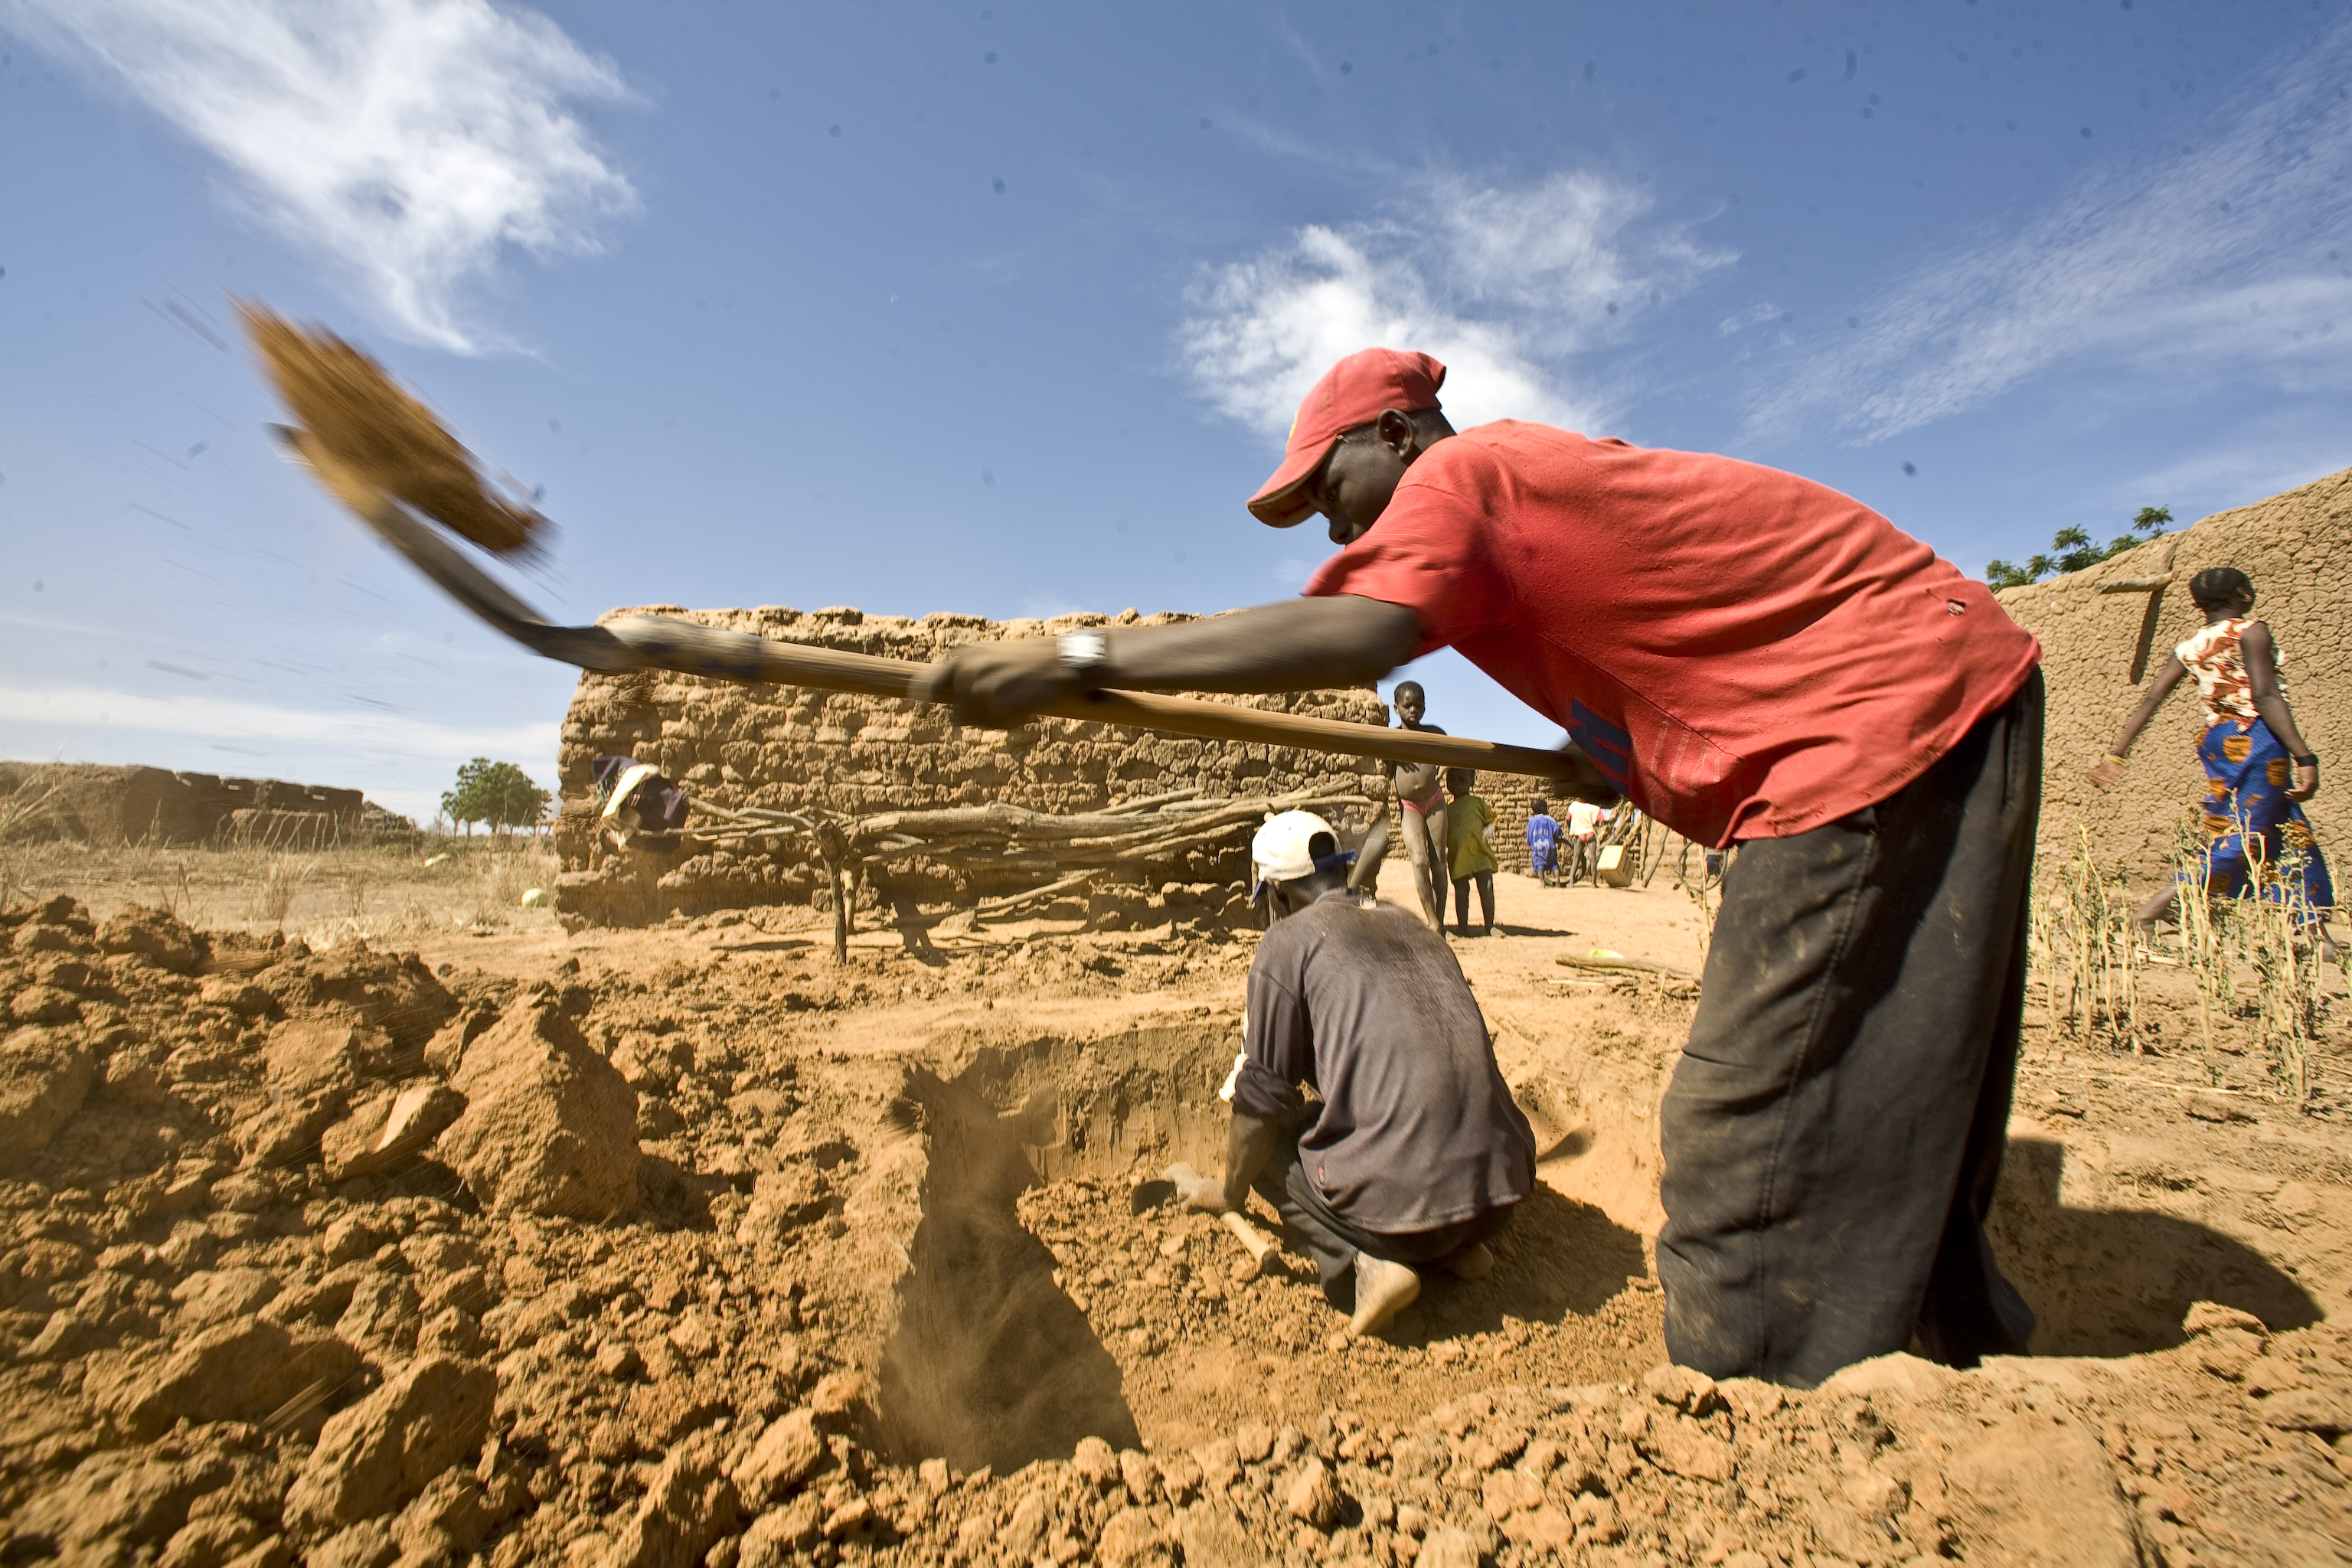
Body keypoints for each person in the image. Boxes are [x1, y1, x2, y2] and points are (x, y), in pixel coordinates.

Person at [916, 346, 2045, 1386]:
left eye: (1328, 490)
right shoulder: (1533, 502)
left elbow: (1358, 629)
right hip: (1949, 680)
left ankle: (1764, 1426)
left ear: (1398, 435)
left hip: (1870, 725)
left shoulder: (1471, 475)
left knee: (1742, 1146)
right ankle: (1953, 1363)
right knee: (1903, 1097)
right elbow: (1668, 646)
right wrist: (1604, 754)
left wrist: (1079, 661)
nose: (1328, 527)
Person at [1169, 810, 1536, 1337]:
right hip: (1501, 1196)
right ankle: (1455, 1250)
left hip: (1406, 1208)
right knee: (1347, 1121)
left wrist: (1228, 1192)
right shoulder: (1414, 926)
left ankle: (1366, 1266)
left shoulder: (1286, 942)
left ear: (1274, 896)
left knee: (1270, 1144)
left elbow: (1262, 1099)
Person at [2091, 567, 2337, 953]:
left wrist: (2116, 754)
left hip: (2218, 739)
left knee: (2290, 830)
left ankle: (2314, 931)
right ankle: (2156, 908)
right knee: (2246, 834)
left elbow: (2152, 699)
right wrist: (2305, 755)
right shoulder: (2251, 631)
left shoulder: (2190, 647)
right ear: (2242, 593)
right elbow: (2265, 696)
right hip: (2256, 737)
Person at [1383, 681, 1449, 930]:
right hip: (1409, 806)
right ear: (1397, 708)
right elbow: (1383, 766)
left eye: (1418, 705)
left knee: (1438, 862)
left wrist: (1446, 766)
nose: (1414, 710)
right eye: (1407, 705)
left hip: (1435, 803)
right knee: (1419, 860)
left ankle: (1439, 919)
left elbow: (1452, 755)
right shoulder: (1391, 738)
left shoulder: (1434, 733)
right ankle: (1432, 920)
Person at [1445, 767, 1498, 935]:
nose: (1457, 784)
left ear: (1472, 782)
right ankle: (1463, 927)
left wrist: (1491, 827)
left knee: (1487, 888)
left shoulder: (1478, 802)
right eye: (1452, 780)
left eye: (1462, 780)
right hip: (1458, 856)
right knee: (1461, 892)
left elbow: (1492, 819)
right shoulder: (1446, 809)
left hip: (1480, 853)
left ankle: (1490, 926)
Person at [1565, 797, 1609, 884]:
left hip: (1579, 834)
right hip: (1590, 834)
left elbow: (1568, 818)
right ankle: (1594, 883)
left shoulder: (1574, 805)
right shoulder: (1594, 808)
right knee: (1593, 858)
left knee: (1576, 858)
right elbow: (1601, 820)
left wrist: (1571, 828)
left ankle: (1571, 882)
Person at [1525, 798, 1563, 887]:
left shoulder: (1532, 821)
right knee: (1554, 863)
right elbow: (1557, 830)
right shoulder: (1549, 819)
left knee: (1539, 864)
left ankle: (1542, 883)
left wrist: (1529, 842)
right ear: (1543, 808)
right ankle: (1557, 880)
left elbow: (1529, 835)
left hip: (1537, 847)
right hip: (1549, 846)